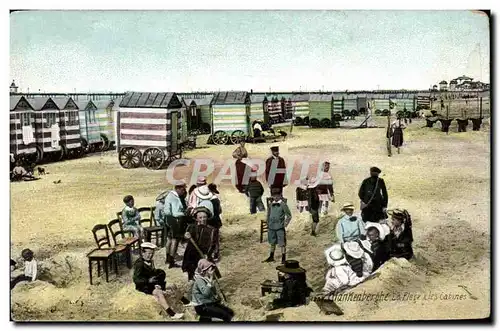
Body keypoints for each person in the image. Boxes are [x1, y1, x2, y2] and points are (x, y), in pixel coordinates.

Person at [132, 242, 188, 319]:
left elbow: (152, 272)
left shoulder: (150, 261)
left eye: (152, 253)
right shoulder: (139, 264)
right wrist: (149, 281)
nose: (150, 255)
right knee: (159, 292)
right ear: (142, 253)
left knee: (172, 285)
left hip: (153, 282)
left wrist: (157, 280)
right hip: (143, 285)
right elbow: (136, 279)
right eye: (148, 253)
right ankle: (172, 314)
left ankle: (185, 301)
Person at [182, 207, 217, 281]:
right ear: (196, 218)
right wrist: (186, 236)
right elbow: (185, 237)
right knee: (192, 271)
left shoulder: (212, 230)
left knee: (206, 272)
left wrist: (208, 254)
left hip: (204, 253)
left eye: (204, 217)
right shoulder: (192, 227)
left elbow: (212, 244)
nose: (203, 219)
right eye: (200, 217)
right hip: (192, 253)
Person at [263, 188, 292, 264]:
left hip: (279, 227)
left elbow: (289, 216)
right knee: (272, 242)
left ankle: (283, 258)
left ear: (280, 196)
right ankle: (271, 256)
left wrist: (285, 224)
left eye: (277, 196)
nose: (275, 197)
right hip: (271, 227)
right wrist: (268, 223)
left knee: (282, 243)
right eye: (274, 196)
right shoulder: (271, 204)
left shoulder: (283, 205)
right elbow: (268, 214)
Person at [164, 182, 189, 268]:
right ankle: (171, 261)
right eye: (182, 189)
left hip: (169, 219)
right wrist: (183, 213)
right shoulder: (173, 197)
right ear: (177, 189)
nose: (184, 191)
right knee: (175, 240)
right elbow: (172, 212)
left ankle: (168, 259)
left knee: (169, 239)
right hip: (175, 220)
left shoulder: (170, 195)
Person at [207, 183, 223, 261]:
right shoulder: (215, 200)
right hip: (215, 221)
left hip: (207, 221)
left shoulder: (205, 199)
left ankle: (209, 254)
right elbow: (219, 211)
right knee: (215, 239)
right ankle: (215, 254)